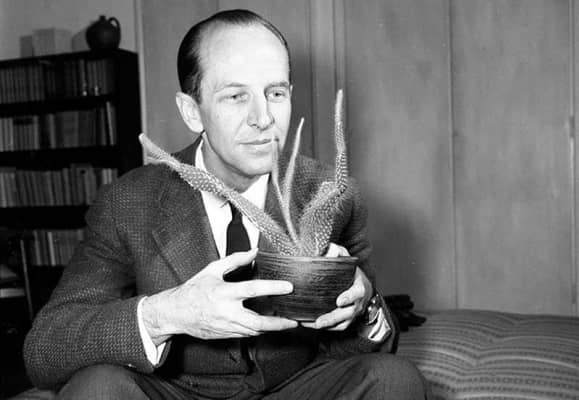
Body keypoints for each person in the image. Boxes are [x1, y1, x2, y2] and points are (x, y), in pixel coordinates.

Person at [24, 9, 429, 400]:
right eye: (236, 96)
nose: (263, 118)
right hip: (174, 390)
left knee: (393, 379)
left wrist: (364, 304)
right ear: (192, 112)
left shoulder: (331, 194)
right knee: (95, 388)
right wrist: (166, 313)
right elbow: (44, 350)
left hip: (292, 389)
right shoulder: (128, 202)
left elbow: (372, 346)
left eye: (275, 93)